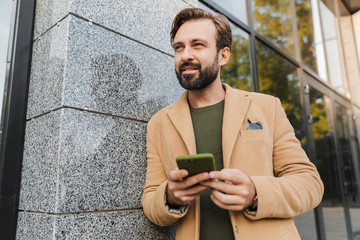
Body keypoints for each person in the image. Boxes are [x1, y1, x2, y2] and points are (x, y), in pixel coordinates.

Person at [142, 8, 323, 240]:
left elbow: (310, 184)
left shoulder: (267, 107)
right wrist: (170, 196)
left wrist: (255, 193)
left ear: (223, 56)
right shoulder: (159, 124)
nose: (185, 55)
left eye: (197, 45)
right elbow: (150, 202)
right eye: (179, 47)